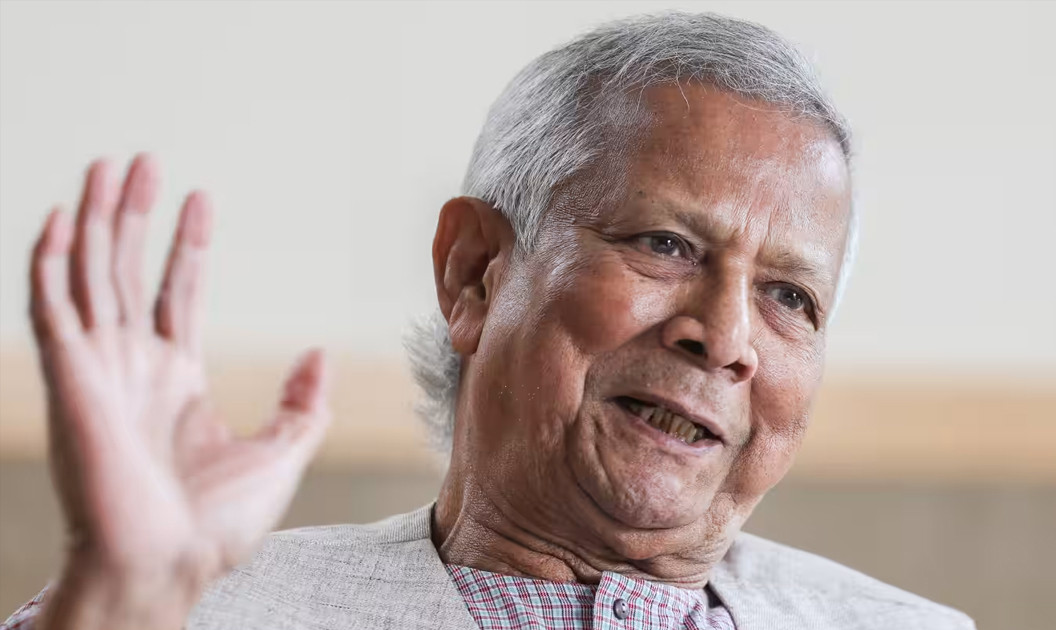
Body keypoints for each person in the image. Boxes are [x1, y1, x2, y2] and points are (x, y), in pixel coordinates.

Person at [3, 12, 975, 630]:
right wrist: (118, 599)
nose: (724, 337)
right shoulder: (173, 613)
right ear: (473, 274)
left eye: (789, 296)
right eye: (666, 244)